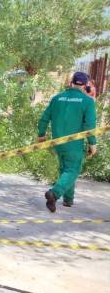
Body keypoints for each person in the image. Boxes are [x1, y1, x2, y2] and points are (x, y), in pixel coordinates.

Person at [37, 71, 97, 212]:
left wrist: (41, 135)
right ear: (86, 85)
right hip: (74, 144)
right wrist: (92, 143)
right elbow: (90, 125)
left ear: (72, 82)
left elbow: (44, 118)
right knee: (73, 170)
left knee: (66, 169)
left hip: (58, 142)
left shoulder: (57, 98)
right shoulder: (87, 101)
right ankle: (54, 193)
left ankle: (68, 200)